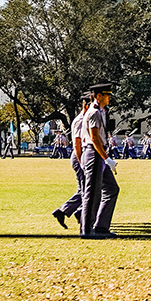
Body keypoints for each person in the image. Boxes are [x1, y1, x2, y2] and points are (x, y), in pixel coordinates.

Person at [79, 83, 119, 239]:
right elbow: (94, 137)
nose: (109, 98)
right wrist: (106, 158)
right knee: (92, 193)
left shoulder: (101, 111)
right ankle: (87, 231)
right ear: (99, 96)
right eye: (107, 95)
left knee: (111, 189)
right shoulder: (94, 112)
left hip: (98, 153)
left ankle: (101, 226)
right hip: (94, 153)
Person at [52, 94, 90, 229]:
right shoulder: (80, 120)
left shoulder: (85, 119)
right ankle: (70, 211)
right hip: (80, 156)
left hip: (83, 156)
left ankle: (74, 212)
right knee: (86, 189)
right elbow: (77, 144)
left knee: (84, 188)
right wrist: (82, 162)